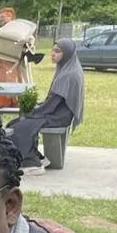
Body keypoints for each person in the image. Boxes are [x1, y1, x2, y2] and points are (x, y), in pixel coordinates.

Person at [6, 39, 84, 176]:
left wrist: (32, 112)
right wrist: (36, 109)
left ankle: (32, 163)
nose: (53, 54)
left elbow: (52, 105)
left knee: (20, 126)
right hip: (57, 113)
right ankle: (35, 157)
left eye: (57, 51)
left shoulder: (68, 74)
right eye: (53, 50)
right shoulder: (68, 68)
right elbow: (54, 102)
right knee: (17, 123)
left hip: (58, 116)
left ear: (67, 53)